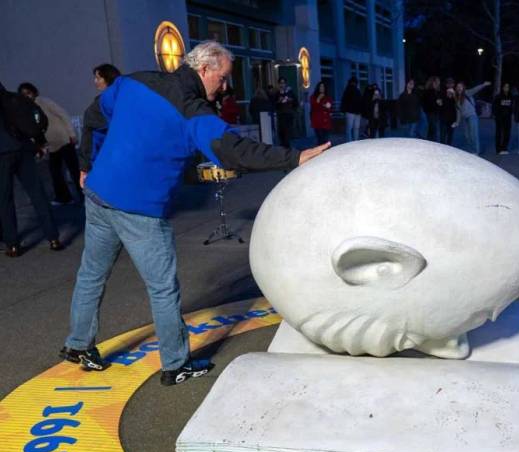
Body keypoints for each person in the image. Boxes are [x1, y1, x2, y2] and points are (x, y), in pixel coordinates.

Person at [60, 41, 330, 384]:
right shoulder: (194, 113)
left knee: (91, 274)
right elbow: (235, 152)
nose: (226, 85)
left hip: (99, 195)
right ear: (204, 70)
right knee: (162, 288)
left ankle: (78, 344)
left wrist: (86, 164)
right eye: (223, 77)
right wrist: (294, 158)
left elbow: (94, 117)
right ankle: (176, 365)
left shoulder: (134, 82)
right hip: (139, 210)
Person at [0, 81, 63, 257]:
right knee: (37, 194)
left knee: (5, 200)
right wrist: (40, 142)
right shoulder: (17, 99)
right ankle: (53, 238)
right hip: (24, 150)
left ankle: (12, 244)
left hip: (2, 154)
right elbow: (37, 120)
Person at [18, 82, 80, 206]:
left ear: (34, 92)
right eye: (23, 94)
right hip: (51, 145)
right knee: (55, 172)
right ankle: (64, 197)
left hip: (63, 139)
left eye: (28, 93)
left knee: (74, 170)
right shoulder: (27, 109)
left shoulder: (44, 101)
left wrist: (71, 133)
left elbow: (62, 113)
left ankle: (85, 197)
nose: (27, 96)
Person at [79, 64, 121, 193]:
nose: (95, 81)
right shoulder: (126, 97)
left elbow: (90, 137)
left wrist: (84, 168)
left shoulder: (99, 106)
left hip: (106, 160)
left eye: (98, 78)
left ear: (108, 78)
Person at [455, 80, 490, 155]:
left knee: (473, 134)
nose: (459, 88)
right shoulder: (457, 98)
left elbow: (475, 89)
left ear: (463, 87)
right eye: (458, 87)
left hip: (472, 116)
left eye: (460, 86)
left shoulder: (467, 93)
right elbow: (458, 111)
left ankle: (476, 151)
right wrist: (457, 122)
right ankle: (472, 150)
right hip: (465, 119)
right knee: (467, 136)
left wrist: (483, 84)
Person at [275, 77, 298, 148]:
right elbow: (274, 104)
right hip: (281, 114)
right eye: (281, 83)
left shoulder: (290, 92)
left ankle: (287, 147)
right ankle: (284, 146)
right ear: (278, 84)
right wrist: (279, 101)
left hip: (288, 115)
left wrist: (290, 100)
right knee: (282, 132)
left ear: (286, 84)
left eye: (283, 83)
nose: (282, 85)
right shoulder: (277, 93)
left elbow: (296, 102)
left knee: (287, 132)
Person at [492, 82, 514, 155]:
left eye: (508, 87)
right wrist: (496, 115)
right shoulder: (498, 96)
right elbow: (494, 106)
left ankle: (504, 148)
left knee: (507, 133)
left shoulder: (510, 96)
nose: (506, 88)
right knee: (499, 133)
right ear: (502, 87)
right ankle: (498, 149)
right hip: (499, 118)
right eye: (505, 87)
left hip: (508, 118)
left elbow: (512, 106)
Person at [309, 80, 333, 145]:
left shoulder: (328, 97)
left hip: (326, 122)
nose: (322, 88)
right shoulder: (313, 97)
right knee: (320, 139)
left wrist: (328, 107)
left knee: (326, 139)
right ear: (318, 88)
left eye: (323, 87)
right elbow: (313, 107)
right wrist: (318, 99)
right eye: (320, 87)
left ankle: (326, 152)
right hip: (318, 122)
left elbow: (330, 108)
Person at [340, 77, 362, 142]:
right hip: (357, 112)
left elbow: (344, 101)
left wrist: (343, 110)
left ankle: (350, 142)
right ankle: (355, 141)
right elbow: (360, 101)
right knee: (356, 128)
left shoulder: (347, 90)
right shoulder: (357, 91)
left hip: (350, 111)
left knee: (349, 128)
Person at [422, 77, 442, 142]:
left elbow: (438, 102)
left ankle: (430, 142)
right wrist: (436, 102)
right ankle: (432, 143)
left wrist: (439, 103)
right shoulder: (428, 92)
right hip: (430, 112)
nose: (438, 84)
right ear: (432, 83)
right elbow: (426, 102)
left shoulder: (437, 91)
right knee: (433, 129)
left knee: (432, 129)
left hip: (435, 112)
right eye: (437, 82)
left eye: (438, 82)